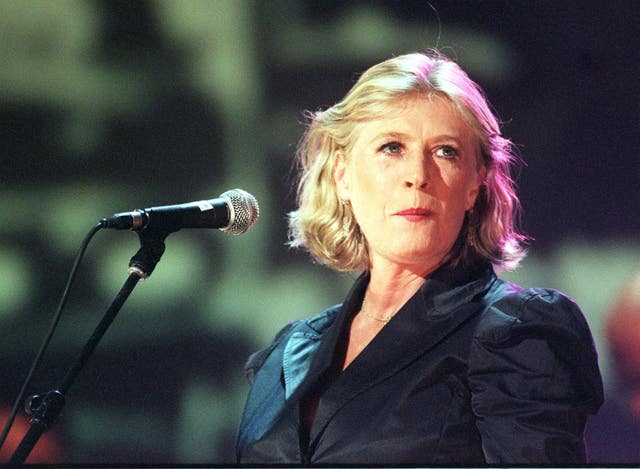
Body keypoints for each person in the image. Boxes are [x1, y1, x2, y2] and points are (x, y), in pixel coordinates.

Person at [236, 51, 603, 465]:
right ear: (342, 175)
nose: (418, 174)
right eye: (392, 147)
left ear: (474, 185)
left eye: (445, 151)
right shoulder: (288, 352)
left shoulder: (514, 333)